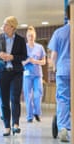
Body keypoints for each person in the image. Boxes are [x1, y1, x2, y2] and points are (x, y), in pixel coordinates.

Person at [0, 16, 27, 136]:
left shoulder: (20, 40)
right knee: (4, 100)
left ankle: (15, 124)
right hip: (2, 72)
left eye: (6, 24)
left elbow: (24, 56)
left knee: (15, 98)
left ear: (12, 27)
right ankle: (7, 126)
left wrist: (12, 57)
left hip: (16, 72)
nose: (3, 26)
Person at [48, 5, 70, 142]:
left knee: (63, 99)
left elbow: (53, 56)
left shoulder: (59, 32)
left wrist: (54, 68)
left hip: (63, 70)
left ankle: (63, 128)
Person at [22, 26, 46, 123]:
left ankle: (37, 112)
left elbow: (44, 62)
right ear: (26, 37)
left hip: (37, 75)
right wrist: (28, 60)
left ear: (35, 36)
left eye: (32, 35)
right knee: (28, 96)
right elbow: (21, 63)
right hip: (27, 75)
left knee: (37, 95)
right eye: (29, 36)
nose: (30, 37)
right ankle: (29, 116)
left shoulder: (40, 47)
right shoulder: (24, 48)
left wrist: (35, 61)